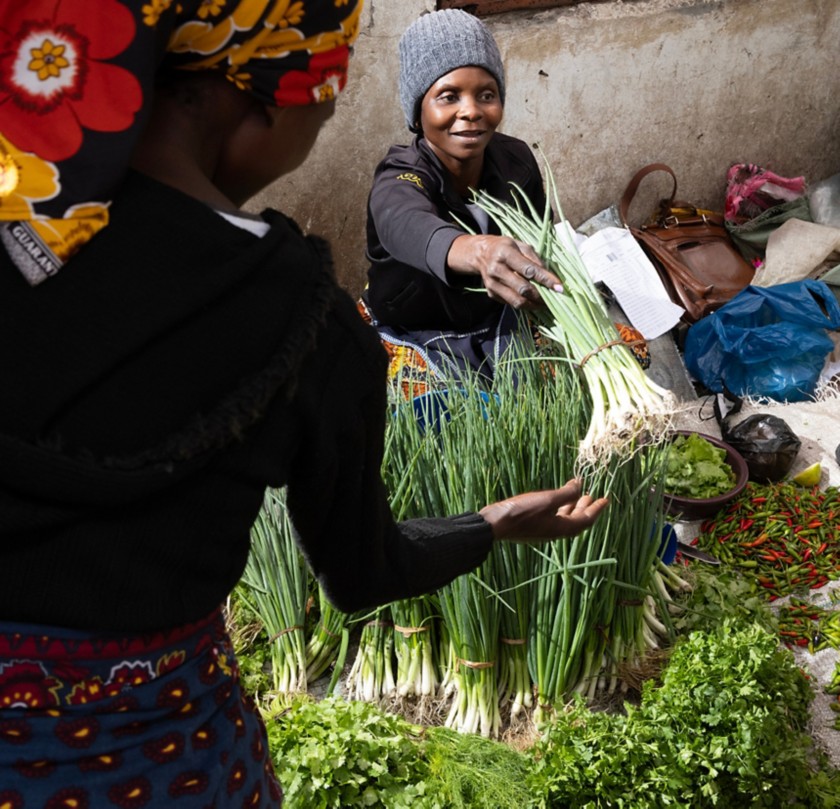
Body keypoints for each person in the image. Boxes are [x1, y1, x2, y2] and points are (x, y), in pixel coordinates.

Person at [0, 1, 608, 805]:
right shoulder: (298, 314)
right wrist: (491, 523)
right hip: (144, 751)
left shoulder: (22, 214)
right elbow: (363, 569)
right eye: (325, 102)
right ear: (258, 102)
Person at [360, 9, 560, 387]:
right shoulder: (399, 176)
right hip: (416, 329)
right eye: (448, 96)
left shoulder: (516, 161)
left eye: (487, 94)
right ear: (418, 113)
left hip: (496, 319)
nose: (471, 111)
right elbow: (405, 222)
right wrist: (479, 250)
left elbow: (541, 237)